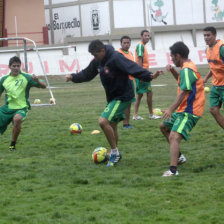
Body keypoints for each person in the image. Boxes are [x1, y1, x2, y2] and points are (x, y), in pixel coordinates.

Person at [66, 40, 163, 167]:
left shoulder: (116, 58)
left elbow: (133, 68)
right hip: (112, 97)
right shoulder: (98, 61)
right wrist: (73, 77)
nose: (94, 58)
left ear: (102, 51)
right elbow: (87, 74)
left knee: (102, 121)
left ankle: (115, 152)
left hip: (122, 96)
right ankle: (115, 154)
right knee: (112, 125)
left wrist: (150, 76)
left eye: (95, 55)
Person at [160, 42, 205, 177]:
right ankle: (179, 157)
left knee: (174, 137)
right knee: (163, 126)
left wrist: (170, 109)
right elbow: (183, 82)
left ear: (178, 56)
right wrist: (173, 71)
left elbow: (184, 91)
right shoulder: (187, 67)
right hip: (184, 110)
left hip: (189, 111)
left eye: (172, 57)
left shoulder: (187, 69)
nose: (172, 60)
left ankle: (173, 171)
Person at [0, 56, 46, 150]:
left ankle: (12, 144)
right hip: (7, 108)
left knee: (17, 119)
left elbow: (44, 86)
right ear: (9, 67)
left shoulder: (27, 77)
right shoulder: (4, 79)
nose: (16, 68)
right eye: (14, 66)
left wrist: (37, 81)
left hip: (21, 107)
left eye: (18, 66)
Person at [133, 30, 161, 120]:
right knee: (146, 93)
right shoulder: (140, 46)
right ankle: (148, 114)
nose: (147, 37)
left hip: (143, 73)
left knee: (143, 94)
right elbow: (140, 59)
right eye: (146, 36)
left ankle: (136, 115)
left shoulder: (142, 46)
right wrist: (140, 74)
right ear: (141, 36)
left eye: (149, 36)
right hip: (142, 74)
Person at [203, 26, 224, 129]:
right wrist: (206, 78)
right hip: (216, 86)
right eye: (204, 35)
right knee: (213, 110)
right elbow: (214, 66)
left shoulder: (222, 47)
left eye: (208, 35)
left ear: (215, 35)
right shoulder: (207, 50)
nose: (206, 37)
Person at [117, 35, 135, 129]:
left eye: (128, 43)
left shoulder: (130, 53)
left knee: (129, 103)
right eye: (124, 43)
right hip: (123, 81)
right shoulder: (118, 53)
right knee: (123, 103)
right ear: (121, 43)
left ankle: (127, 123)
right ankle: (123, 123)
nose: (126, 44)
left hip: (130, 81)